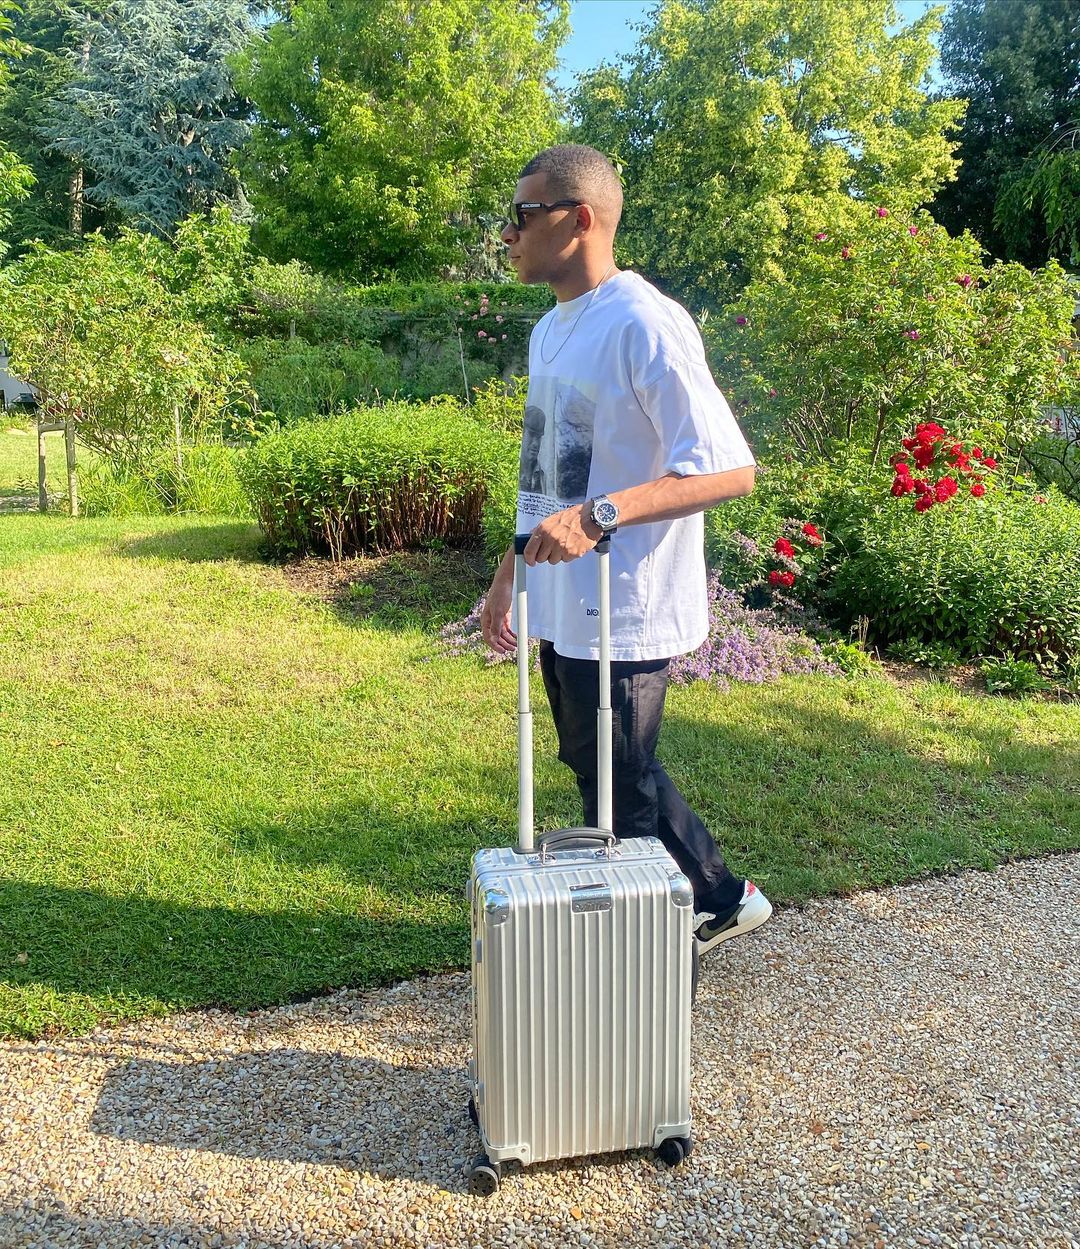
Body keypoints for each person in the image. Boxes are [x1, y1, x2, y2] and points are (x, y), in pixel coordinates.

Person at [480, 144, 771, 955]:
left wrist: (599, 515)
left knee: (621, 789)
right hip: (564, 598)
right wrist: (509, 573)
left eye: (522, 213)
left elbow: (728, 468)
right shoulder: (550, 330)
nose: (507, 233)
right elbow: (546, 471)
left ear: (579, 219)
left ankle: (650, 964)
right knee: (597, 764)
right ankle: (716, 898)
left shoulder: (645, 322)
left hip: (626, 602)